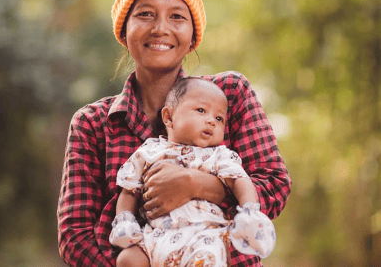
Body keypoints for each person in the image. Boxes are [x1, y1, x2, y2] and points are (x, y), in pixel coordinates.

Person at [57, 0, 291, 267]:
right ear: (124, 30)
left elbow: (274, 186)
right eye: (145, 14)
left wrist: (195, 185)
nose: (160, 28)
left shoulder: (230, 95)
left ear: (193, 37)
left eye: (177, 16)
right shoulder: (93, 124)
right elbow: (75, 237)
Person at [109, 77, 276, 267]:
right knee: (127, 259)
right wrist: (124, 220)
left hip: (203, 237)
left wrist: (249, 211)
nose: (211, 121)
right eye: (201, 111)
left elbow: (240, 181)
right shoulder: (148, 152)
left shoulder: (219, 155)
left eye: (219, 118)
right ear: (168, 117)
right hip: (155, 238)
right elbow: (129, 189)